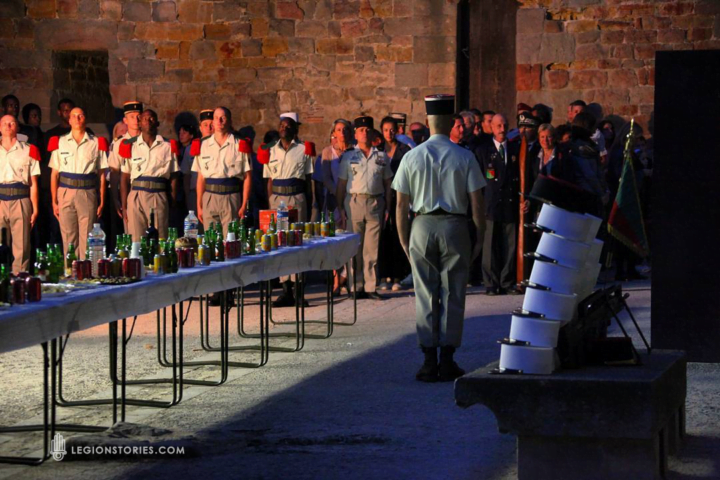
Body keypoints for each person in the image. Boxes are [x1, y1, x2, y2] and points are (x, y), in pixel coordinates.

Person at [393, 94, 486, 382]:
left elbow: (399, 204)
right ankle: (447, 359)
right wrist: (479, 236)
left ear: (430, 122)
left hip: (421, 224)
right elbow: (477, 202)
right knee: (454, 292)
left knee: (425, 293)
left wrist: (403, 239)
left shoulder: (411, 156)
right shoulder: (464, 155)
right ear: (449, 122)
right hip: (455, 225)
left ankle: (428, 360)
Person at [337, 116, 392, 301]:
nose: (364, 133)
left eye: (368, 130)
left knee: (372, 248)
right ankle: (355, 286)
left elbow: (387, 184)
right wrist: (340, 208)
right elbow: (341, 184)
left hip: (376, 202)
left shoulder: (382, 157)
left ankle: (370, 286)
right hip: (354, 202)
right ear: (355, 133)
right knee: (355, 248)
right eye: (361, 130)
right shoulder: (348, 156)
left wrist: (388, 208)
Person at [261, 115, 314, 307]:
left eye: (288, 126)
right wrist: (270, 203)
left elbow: (308, 180)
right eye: (281, 125)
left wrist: (309, 203)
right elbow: (269, 180)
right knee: (281, 244)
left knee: (298, 243)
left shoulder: (303, 149)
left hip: (297, 197)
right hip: (277, 199)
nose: (284, 128)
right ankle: (286, 290)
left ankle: (299, 289)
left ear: (295, 129)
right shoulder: (270, 150)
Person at [48, 107, 108, 258]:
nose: (77, 118)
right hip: (66, 191)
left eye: (80, 115)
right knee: (68, 237)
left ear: (85, 119)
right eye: (73, 116)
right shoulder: (60, 142)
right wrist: (54, 201)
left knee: (88, 237)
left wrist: (102, 200)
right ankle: (71, 272)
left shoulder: (96, 142)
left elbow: (101, 174)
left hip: (87, 191)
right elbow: (54, 173)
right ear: (69, 120)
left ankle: (86, 273)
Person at [476, 114, 521, 295]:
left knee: (509, 244)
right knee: (490, 245)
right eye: (498, 126)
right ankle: (491, 282)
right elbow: (478, 180)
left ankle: (506, 281)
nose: (502, 129)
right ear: (492, 128)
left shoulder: (516, 149)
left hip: (510, 202)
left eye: (505, 125)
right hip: (491, 203)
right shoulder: (482, 150)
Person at [119, 109, 180, 242]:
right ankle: (139, 263)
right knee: (136, 240)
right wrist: (124, 206)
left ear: (157, 123)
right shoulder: (131, 145)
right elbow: (124, 177)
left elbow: (174, 176)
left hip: (158, 194)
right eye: (145, 118)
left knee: (159, 239)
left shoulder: (168, 146)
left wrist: (172, 199)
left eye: (151, 118)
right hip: (136, 195)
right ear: (139, 123)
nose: (148, 121)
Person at [192, 107, 252, 238]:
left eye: (223, 117)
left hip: (230, 196)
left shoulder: (239, 144)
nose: (219, 121)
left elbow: (247, 177)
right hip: (210, 196)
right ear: (212, 121)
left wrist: (244, 204)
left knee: (231, 240)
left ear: (229, 121)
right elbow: (201, 178)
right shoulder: (203, 145)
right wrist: (199, 205)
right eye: (216, 118)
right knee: (210, 240)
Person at [0, 114, 41, 273]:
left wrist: (35, 207)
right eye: (4, 123)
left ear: (17, 127)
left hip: (21, 199)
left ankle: (20, 280)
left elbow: (33, 183)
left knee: (22, 246)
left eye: (12, 123)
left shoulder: (30, 150)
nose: (8, 126)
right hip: (0, 199)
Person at [378, 116, 411, 291]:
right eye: (385, 130)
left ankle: (398, 276)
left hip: (399, 197)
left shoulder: (404, 150)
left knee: (399, 236)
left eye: (392, 129)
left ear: (397, 130)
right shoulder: (378, 150)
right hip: (382, 198)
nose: (389, 133)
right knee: (383, 237)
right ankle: (384, 276)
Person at [321, 119, 353, 296]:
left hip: (350, 199)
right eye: (338, 129)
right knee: (334, 241)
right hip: (334, 199)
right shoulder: (327, 152)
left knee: (348, 239)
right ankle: (335, 278)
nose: (342, 133)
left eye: (345, 129)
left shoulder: (354, 151)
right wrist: (338, 194)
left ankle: (347, 278)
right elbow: (326, 178)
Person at [181, 109, 212, 233]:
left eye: (211, 125)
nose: (209, 128)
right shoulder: (193, 148)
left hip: (214, 191)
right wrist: (188, 195)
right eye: (205, 125)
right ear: (200, 127)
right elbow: (186, 175)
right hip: (195, 192)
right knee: (196, 230)